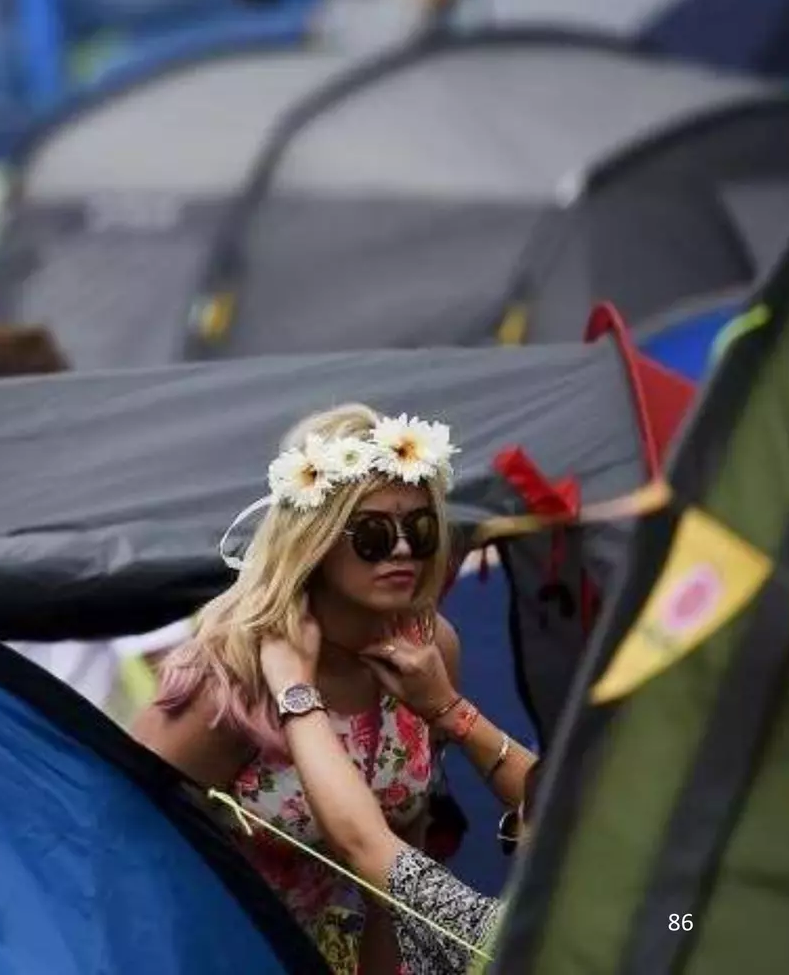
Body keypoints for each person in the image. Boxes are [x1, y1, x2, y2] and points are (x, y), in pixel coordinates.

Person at [132, 403, 461, 973]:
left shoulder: (429, 651)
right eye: (374, 533)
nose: (403, 549)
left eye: (420, 528)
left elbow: (400, 870)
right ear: (315, 540)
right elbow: (124, 839)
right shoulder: (232, 676)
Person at [258, 619, 539, 974]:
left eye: (512, 832)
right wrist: (449, 708)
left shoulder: (492, 936)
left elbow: (364, 842)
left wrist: (294, 690)